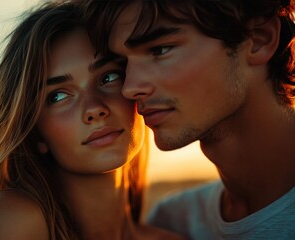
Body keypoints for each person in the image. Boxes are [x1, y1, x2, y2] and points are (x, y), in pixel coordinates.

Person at [0, 1, 184, 240]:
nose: (95, 109)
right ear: (35, 133)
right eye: (58, 96)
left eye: (108, 77)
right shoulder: (10, 222)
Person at [77, 0, 295, 239]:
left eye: (159, 50)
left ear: (258, 40)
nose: (130, 88)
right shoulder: (171, 224)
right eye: (123, 65)